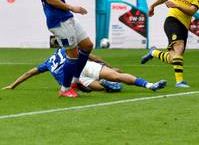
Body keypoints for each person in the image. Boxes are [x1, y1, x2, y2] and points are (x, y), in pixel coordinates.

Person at [32, 0, 94, 98]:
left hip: (66, 16)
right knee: (72, 54)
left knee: (87, 45)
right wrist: (72, 7)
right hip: (58, 20)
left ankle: (75, 80)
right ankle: (65, 89)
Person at [140, 0, 199, 88]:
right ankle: (179, 82)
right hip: (172, 21)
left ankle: (153, 52)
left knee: (173, 58)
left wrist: (176, 5)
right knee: (179, 48)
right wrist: (153, 5)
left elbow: (191, 11)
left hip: (184, 25)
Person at [3, 48, 167, 93]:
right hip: (82, 66)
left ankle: (105, 86)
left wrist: (13, 85)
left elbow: (28, 73)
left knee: (93, 88)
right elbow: (89, 55)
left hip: (74, 79)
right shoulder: (65, 49)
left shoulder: (47, 63)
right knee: (117, 76)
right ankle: (149, 85)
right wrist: (108, 66)